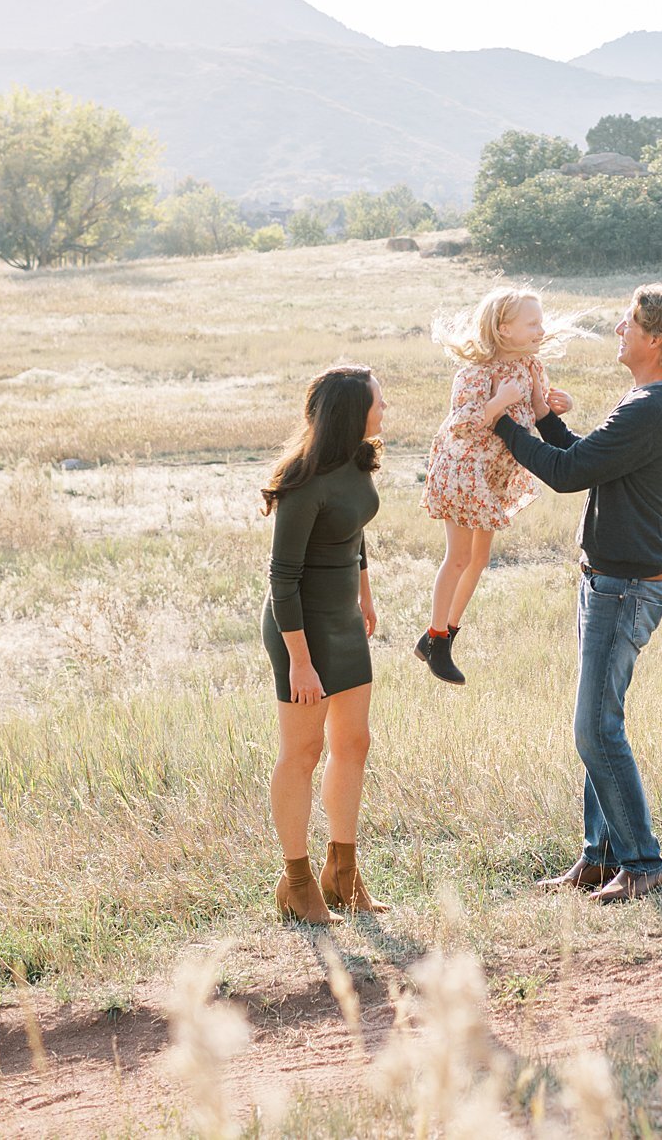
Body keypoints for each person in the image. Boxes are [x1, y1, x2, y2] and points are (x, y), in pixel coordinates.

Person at [490, 284, 662, 904]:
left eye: (628, 322)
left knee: (595, 730)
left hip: (624, 588)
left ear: (655, 338)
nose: (618, 329)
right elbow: (587, 458)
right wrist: (545, 418)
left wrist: (502, 422)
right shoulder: (650, 400)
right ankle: (599, 858)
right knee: (600, 723)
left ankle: (642, 862)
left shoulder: (652, 407)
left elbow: (568, 474)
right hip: (612, 581)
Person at [260, 364, 392, 925]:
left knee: (354, 742)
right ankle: (296, 884)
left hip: (343, 621)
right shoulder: (304, 482)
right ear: (349, 412)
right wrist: (301, 661)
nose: (384, 410)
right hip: (301, 631)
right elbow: (282, 579)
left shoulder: (357, 462)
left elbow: (354, 536)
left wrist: (364, 594)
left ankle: (342, 873)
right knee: (303, 753)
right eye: (377, 402)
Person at [415, 287, 574, 683]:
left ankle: (444, 636)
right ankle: (435, 638)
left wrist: (556, 407)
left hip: (494, 475)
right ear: (504, 329)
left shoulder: (531, 367)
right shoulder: (475, 371)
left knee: (480, 560)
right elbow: (463, 423)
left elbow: (538, 412)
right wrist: (499, 401)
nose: (541, 329)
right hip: (463, 470)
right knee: (458, 557)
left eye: (541, 322)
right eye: (532, 323)